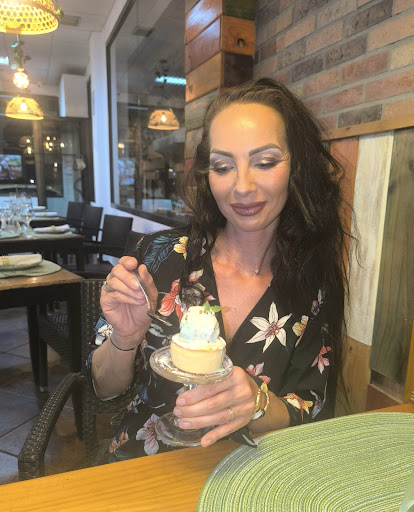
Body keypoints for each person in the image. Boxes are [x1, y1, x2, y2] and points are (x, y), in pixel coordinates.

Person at [88, 78, 348, 461]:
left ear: (297, 167)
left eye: (265, 162)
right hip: (143, 466)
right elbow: (103, 388)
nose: (242, 187)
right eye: (223, 167)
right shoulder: (159, 256)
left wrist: (257, 403)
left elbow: (311, 411)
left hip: (249, 474)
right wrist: (125, 339)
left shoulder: (312, 285)